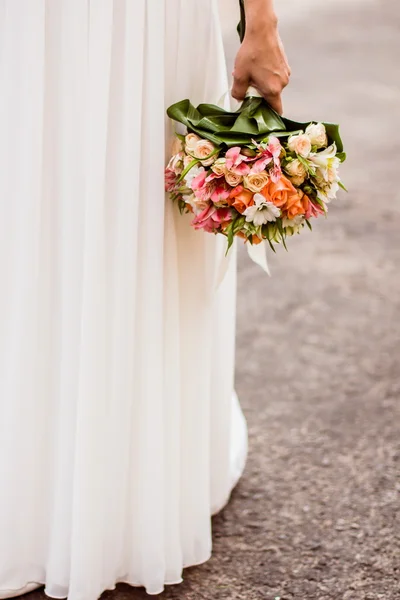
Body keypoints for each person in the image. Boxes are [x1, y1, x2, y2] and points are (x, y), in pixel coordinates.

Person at [0, 0, 289, 598]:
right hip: (31, 24)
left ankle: (113, 492)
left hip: (149, 22)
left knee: (137, 218)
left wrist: (262, 21)